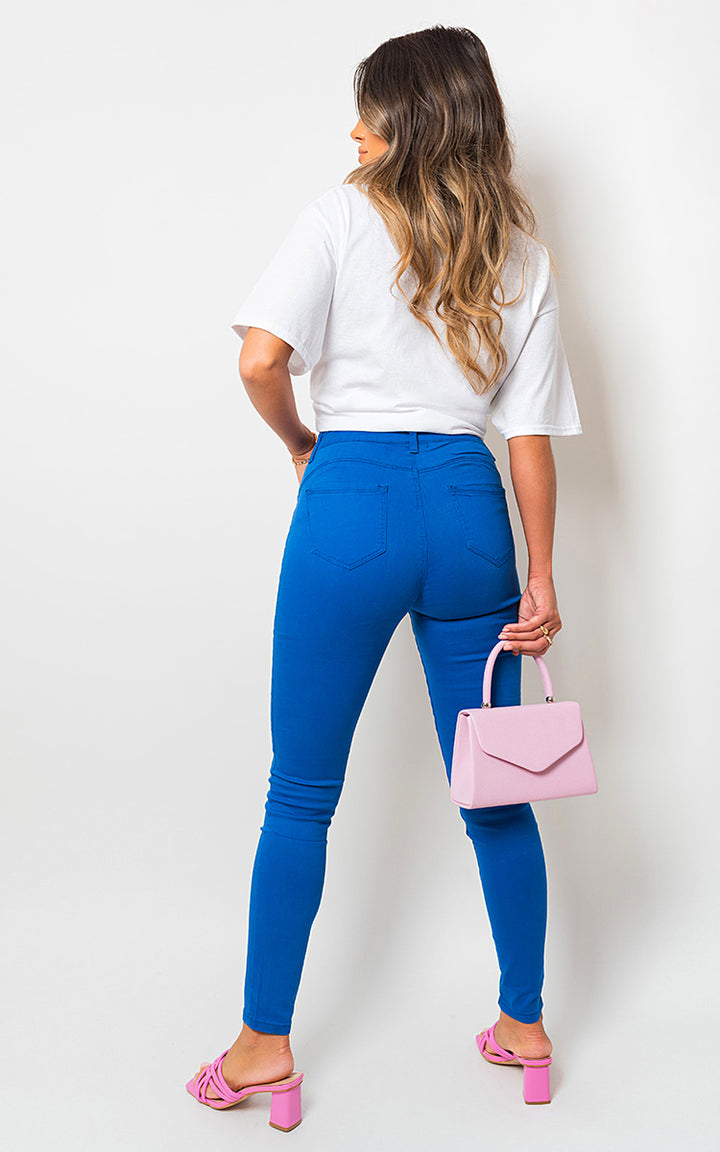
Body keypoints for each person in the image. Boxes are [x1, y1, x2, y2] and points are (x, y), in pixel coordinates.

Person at [186, 24, 582, 1123]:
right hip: (470, 514)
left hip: (350, 501)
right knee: (495, 789)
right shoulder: (523, 252)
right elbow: (532, 437)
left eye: (366, 109)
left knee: (301, 795)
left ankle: (266, 1046)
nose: (350, 129)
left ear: (406, 119)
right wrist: (541, 579)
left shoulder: (338, 214)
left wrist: (300, 444)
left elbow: (261, 357)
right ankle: (525, 1024)